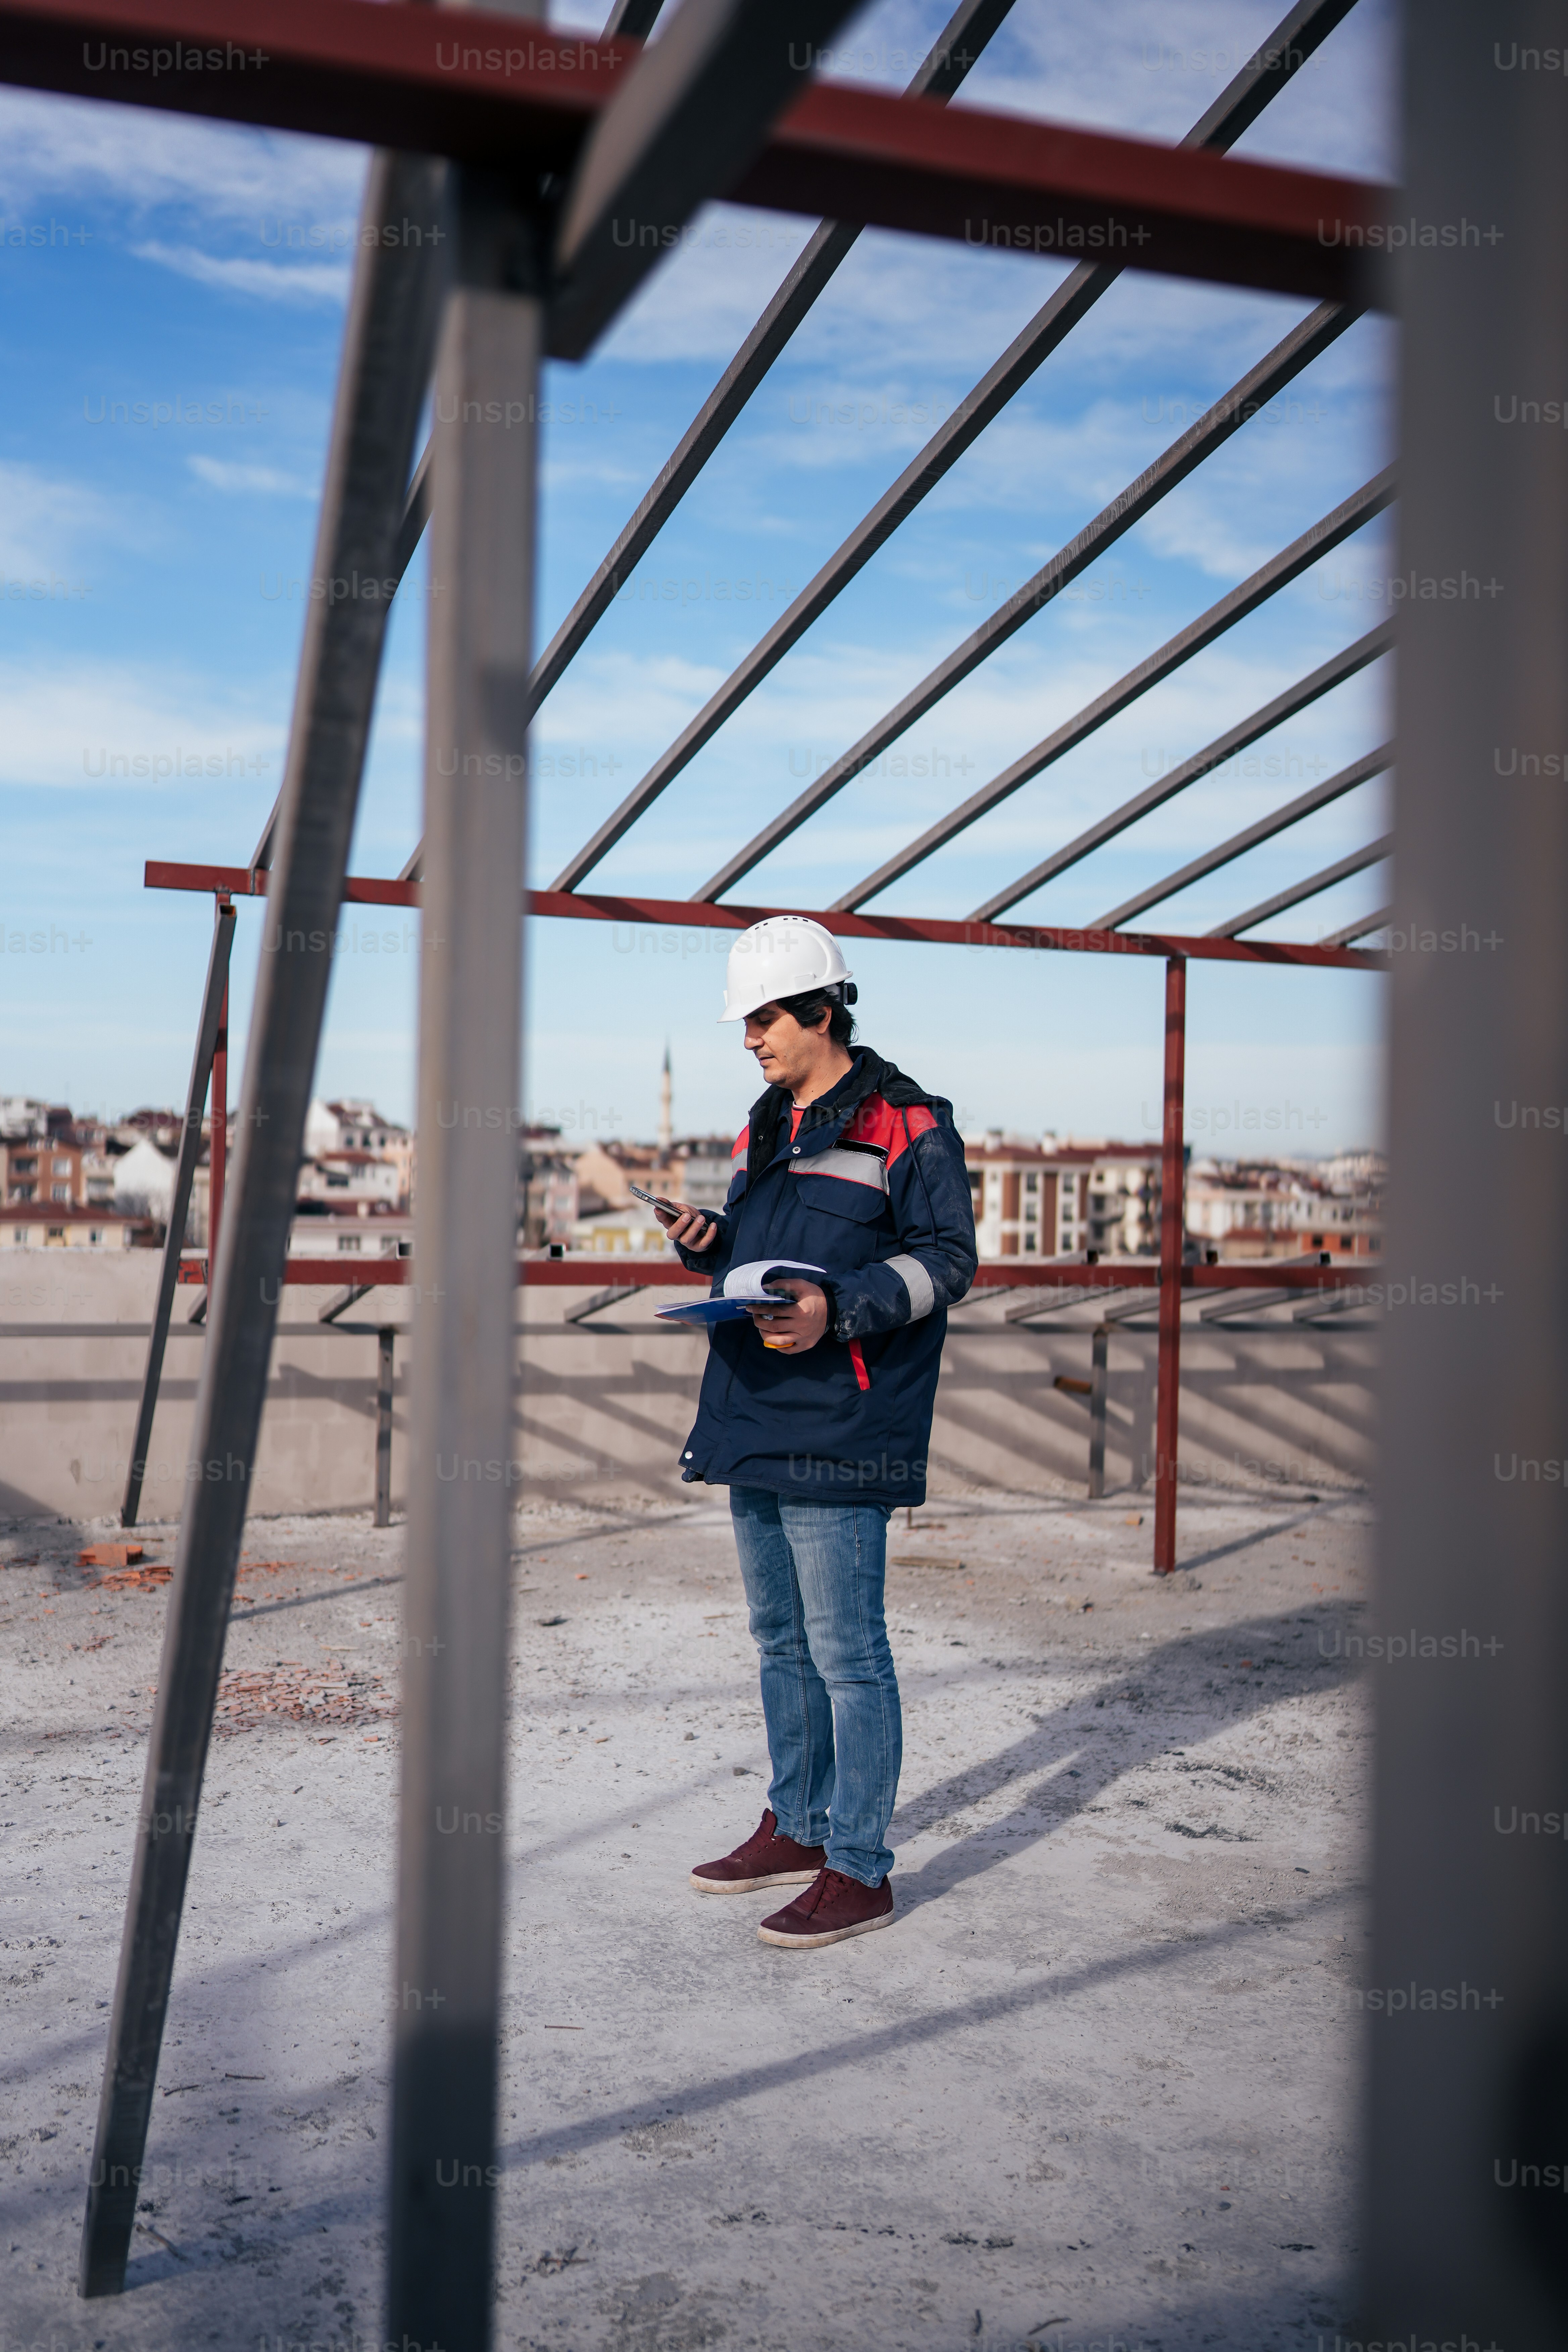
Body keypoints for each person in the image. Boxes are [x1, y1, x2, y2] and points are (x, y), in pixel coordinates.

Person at [653, 916, 978, 1950]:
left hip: (847, 1421)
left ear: (821, 1011)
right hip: (757, 1409)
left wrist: (839, 1311)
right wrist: (714, 1244)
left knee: (847, 1651)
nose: (750, 1037)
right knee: (780, 1640)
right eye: (746, 1021)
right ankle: (796, 1827)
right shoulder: (764, 1124)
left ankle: (860, 1866)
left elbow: (948, 1262)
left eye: (763, 1018)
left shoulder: (907, 1124)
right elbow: (763, 1252)